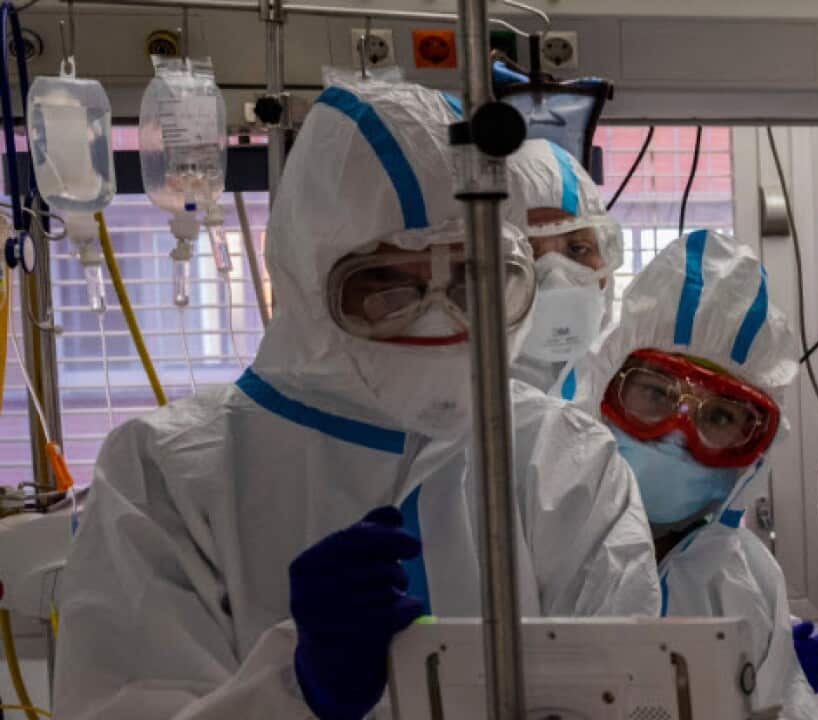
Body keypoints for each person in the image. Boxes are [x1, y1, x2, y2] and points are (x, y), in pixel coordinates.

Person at [52, 80, 659, 720]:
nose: (438, 324)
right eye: (387, 285)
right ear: (309, 284)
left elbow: (630, 690)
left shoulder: (563, 458)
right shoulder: (167, 475)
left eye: (468, 278)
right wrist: (296, 690)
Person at [556, 229, 818, 718]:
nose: (678, 435)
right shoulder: (543, 541)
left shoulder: (749, 577)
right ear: (604, 388)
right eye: (656, 394)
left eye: (719, 417)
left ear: (752, 450)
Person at [506, 138, 622, 392]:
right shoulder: (464, 403)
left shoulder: (631, 385)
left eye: (579, 248)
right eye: (527, 254)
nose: (556, 280)